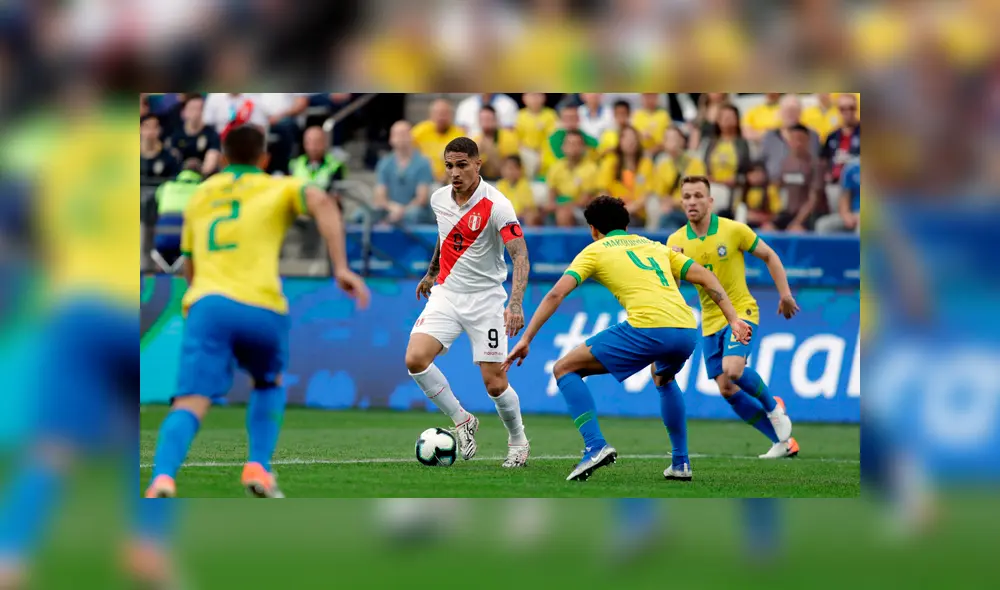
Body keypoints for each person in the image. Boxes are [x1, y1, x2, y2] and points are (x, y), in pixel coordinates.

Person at [144, 125, 370, 499]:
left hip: (209, 304)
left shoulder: (200, 195)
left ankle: (163, 478)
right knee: (268, 383)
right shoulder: (276, 185)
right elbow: (323, 201)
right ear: (265, 158)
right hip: (262, 306)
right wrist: (342, 266)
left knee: (190, 401)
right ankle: (258, 468)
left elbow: (189, 260)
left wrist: (195, 300)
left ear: (223, 156)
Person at [504, 195, 752, 482]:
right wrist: (733, 319)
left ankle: (595, 446)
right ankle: (681, 463)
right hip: (686, 329)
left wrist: (526, 339)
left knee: (564, 369)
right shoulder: (655, 247)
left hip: (649, 327)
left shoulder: (595, 250)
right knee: (664, 378)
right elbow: (705, 277)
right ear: (625, 223)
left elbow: (557, 294)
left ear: (594, 228)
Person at [405, 137, 532, 468]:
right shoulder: (438, 199)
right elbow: (445, 235)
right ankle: (462, 420)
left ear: (478, 163)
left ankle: (518, 440)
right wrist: (432, 272)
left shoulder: (497, 205)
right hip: (446, 294)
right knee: (415, 359)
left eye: (462, 165)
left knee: (494, 382)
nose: (455, 172)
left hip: (486, 301)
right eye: (449, 166)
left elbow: (520, 255)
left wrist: (515, 304)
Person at [666, 176, 798, 459]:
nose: (692, 201)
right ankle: (783, 443)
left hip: (741, 310)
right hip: (710, 320)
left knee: (734, 370)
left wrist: (785, 294)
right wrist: (672, 263)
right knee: (726, 388)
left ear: (710, 201)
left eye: (698, 196)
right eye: (687, 196)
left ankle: (774, 407)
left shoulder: (734, 230)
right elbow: (674, 288)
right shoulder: (675, 241)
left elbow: (770, 256)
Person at [372, 120, 435, 225]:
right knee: (363, 214)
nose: (401, 138)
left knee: (413, 214)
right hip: (391, 208)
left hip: (414, 211)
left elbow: (421, 198)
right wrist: (393, 208)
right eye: (397, 135)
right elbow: (380, 196)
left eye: (404, 134)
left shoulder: (423, 163)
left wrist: (402, 211)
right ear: (391, 139)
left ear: (412, 136)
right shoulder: (384, 163)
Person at [546, 130, 600, 226]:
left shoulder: (591, 168)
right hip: (560, 207)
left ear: (583, 148)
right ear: (563, 147)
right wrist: (553, 206)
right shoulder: (555, 167)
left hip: (584, 210)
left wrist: (562, 207)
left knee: (564, 214)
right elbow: (551, 197)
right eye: (569, 143)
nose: (572, 147)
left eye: (576, 144)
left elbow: (584, 200)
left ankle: (565, 241)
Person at [411, 99, 464, 185]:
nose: (441, 117)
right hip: (423, 180)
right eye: (438, 113)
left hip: (450, 180)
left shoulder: (459, 134)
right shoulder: (419, 131)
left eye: (445, 113)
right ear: (430, 115)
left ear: (451, 115)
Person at [165, 95, 221, 175]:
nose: (196, 113)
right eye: (192, 109)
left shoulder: (212, 135)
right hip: (180, 178)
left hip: (203, 180)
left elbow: (210, 164)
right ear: (184, 112)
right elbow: (172, 161)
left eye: (200, 109)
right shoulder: (175, 135)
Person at [289, 126, 347, 193]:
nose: (313, 146)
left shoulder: (335, 166)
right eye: (309, 142)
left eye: (317, 142)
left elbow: (337, 194)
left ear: (325, 143)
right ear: (304, 144)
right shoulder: (294, 164)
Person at [815, 157, 860, 234]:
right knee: (823, 225)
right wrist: (846, 215)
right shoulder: (852, 168)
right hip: (853, 214)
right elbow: (844, 198)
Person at [496, 155, 541, 226]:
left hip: (521, 218)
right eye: (508, 168)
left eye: (513, 168)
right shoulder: (501, 185)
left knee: (530, 216)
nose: (510, 172)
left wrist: (514, 215)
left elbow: (527, 208)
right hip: (505, 218)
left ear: (520, 170)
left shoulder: (524, 185)